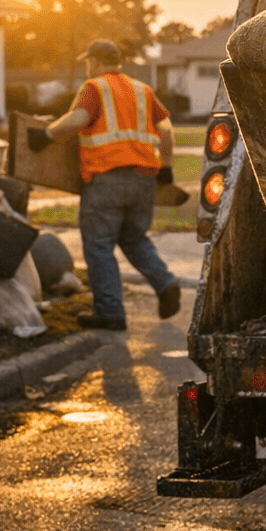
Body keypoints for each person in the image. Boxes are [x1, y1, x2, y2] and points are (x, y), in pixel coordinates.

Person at [29, 39, 181, 331]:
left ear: (96, 62)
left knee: (99, 246)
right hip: (144, 180)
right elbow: (166, 130)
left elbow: (79, 118)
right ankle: (165, 283)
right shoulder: (142, 90)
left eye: (88, 62)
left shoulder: (95, 87)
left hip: (107, 179)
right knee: (134, 239)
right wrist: (167, 167)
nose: (88, 66)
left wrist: (46, 135)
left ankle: (110, 313)